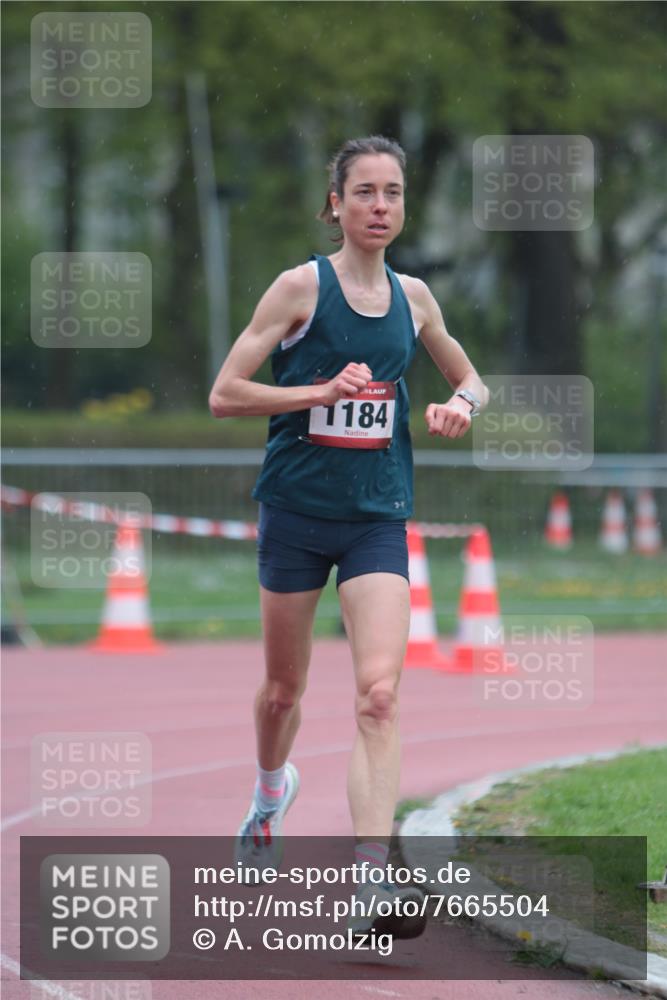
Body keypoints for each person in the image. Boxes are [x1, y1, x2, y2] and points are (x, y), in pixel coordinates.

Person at [209, 135, 488, 939]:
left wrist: (458, 406)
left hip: (376, 517)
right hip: (295, 515)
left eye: (392, 193)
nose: (378, 207)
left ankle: (371, 873)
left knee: (378, 695)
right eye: (362, 192)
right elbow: (225, 394)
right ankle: (269, 794)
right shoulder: (301, 287)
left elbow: (469, 377)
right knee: (282, 693)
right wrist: (313, 392)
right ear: (334, 203)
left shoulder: (416, 298)